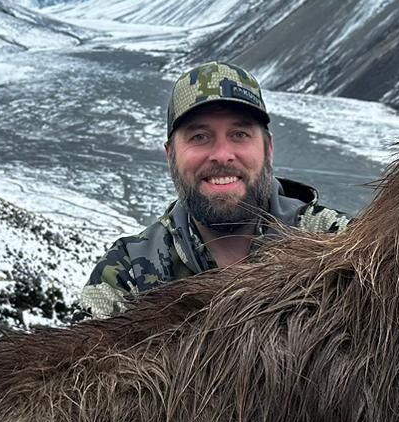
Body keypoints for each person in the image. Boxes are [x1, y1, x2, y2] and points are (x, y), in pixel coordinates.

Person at [81, 61, 350, 318]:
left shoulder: (340, 243)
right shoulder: (125, 275)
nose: (222, 155)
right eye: (200, 137)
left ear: (268, 149)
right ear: (170, 155)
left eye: (239, 135)